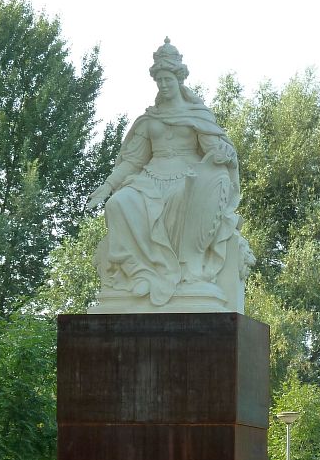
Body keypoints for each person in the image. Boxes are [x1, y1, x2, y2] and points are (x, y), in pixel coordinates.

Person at [86, 38, 253, 312]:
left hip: (188, 178)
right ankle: (140, 274)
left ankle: (188, 270)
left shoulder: (197, 116)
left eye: (168, 79)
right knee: (118, 204)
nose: (163, 85)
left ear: (179, 80)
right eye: (159, 80)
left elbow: (216, 150)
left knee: (189, 193)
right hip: (149, 180)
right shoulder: (150, 119)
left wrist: (224, 153)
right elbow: (132, 161)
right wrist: (107, 187)